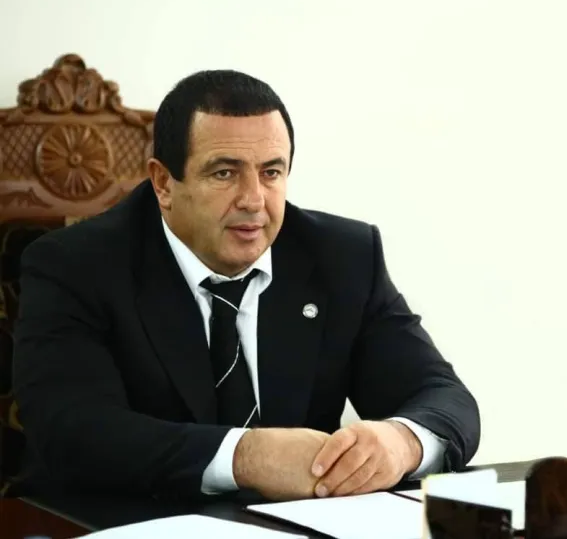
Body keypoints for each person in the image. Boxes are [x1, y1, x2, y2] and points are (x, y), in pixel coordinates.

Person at [12, 69, 480, 501]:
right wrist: (245, 457)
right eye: (225, 173)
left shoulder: (343, 257)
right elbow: (73, 432)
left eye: (271, 172)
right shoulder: (75, 266)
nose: (254, 200)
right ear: (163, 183)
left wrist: (401, 442)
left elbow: (444, 397)